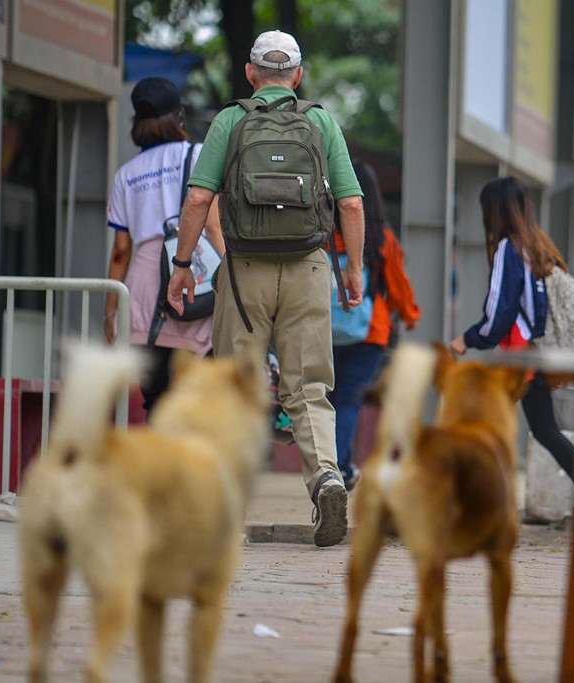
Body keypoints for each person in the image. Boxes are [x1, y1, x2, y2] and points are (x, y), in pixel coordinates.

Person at [166, 30, 365, 548]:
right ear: (297, 76)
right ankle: (326, 478)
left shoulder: (229, 121)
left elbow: (198, 200)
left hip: (244, 269)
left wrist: (182, 265)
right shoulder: (321, 121)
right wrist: (353, 269)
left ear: (251, 73)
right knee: (309, 387)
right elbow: (351, 204)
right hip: (308, 266)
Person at [447, 176, 574, 540]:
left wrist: (468, 339)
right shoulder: (538, 244)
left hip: (521, 358)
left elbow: (500, 311)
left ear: (495, 211)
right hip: (534, 355)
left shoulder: (509, 248)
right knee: (541, 430)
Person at [103, 77, 223, 411]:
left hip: (144, 291)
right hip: (194, 279)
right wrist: (233, 279)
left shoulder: (126, 174)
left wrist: (110, 311)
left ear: (137, 123)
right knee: (200, 399)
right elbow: (213, 226)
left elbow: (121, 251)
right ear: (179, 116)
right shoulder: (198, 155)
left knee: (156, 398)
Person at [327, 161, 420, 491]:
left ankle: (336, 466)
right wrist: (409, 315)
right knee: (349, 401)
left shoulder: (323, 236)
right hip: (369, 330)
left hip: (322, 327)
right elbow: (398, 286)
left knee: (326, 401)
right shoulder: (382, 239)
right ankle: (338, 469)